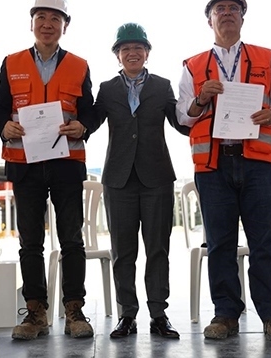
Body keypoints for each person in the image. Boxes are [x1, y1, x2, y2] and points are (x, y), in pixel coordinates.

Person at [176, 0, 271, 341]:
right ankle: (226, 314)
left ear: (243, 17)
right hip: (213, 167)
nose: (226, 14)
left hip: (257, 164)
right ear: (209, 19)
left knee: (264, 242)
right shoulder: (193, 65)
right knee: (219, 244)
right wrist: (201, 98)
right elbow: (183, 115)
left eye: (233, 8)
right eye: (220, 9)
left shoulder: (265, 57)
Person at [0, 0, 94, 340]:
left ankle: (74, 310)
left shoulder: (79, 65)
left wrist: (84, 126)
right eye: (41, 18)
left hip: (66, 163)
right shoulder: (11, 62)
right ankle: (35, 312)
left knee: (72, 240)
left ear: (65, 26)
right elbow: (0, 109)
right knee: (30, 242)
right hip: (25, 164)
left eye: (55, 19)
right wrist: (4, 126)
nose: (47, 25)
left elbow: (90, 111)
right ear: (32, 23)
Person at [90, 23, 189, 339]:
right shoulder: (107, 89)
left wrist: (201, 105)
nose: (132, 53)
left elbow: (181, 123)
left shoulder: (162, 86)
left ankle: (159, 315)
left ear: (147, 53)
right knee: (123, 251)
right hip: (118, 179)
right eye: (125, 49)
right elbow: (91, 121)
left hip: (156, 177)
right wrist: (71, 122)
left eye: (138, 48)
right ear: (117, 55)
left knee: (158, 248)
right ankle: (127, 315)